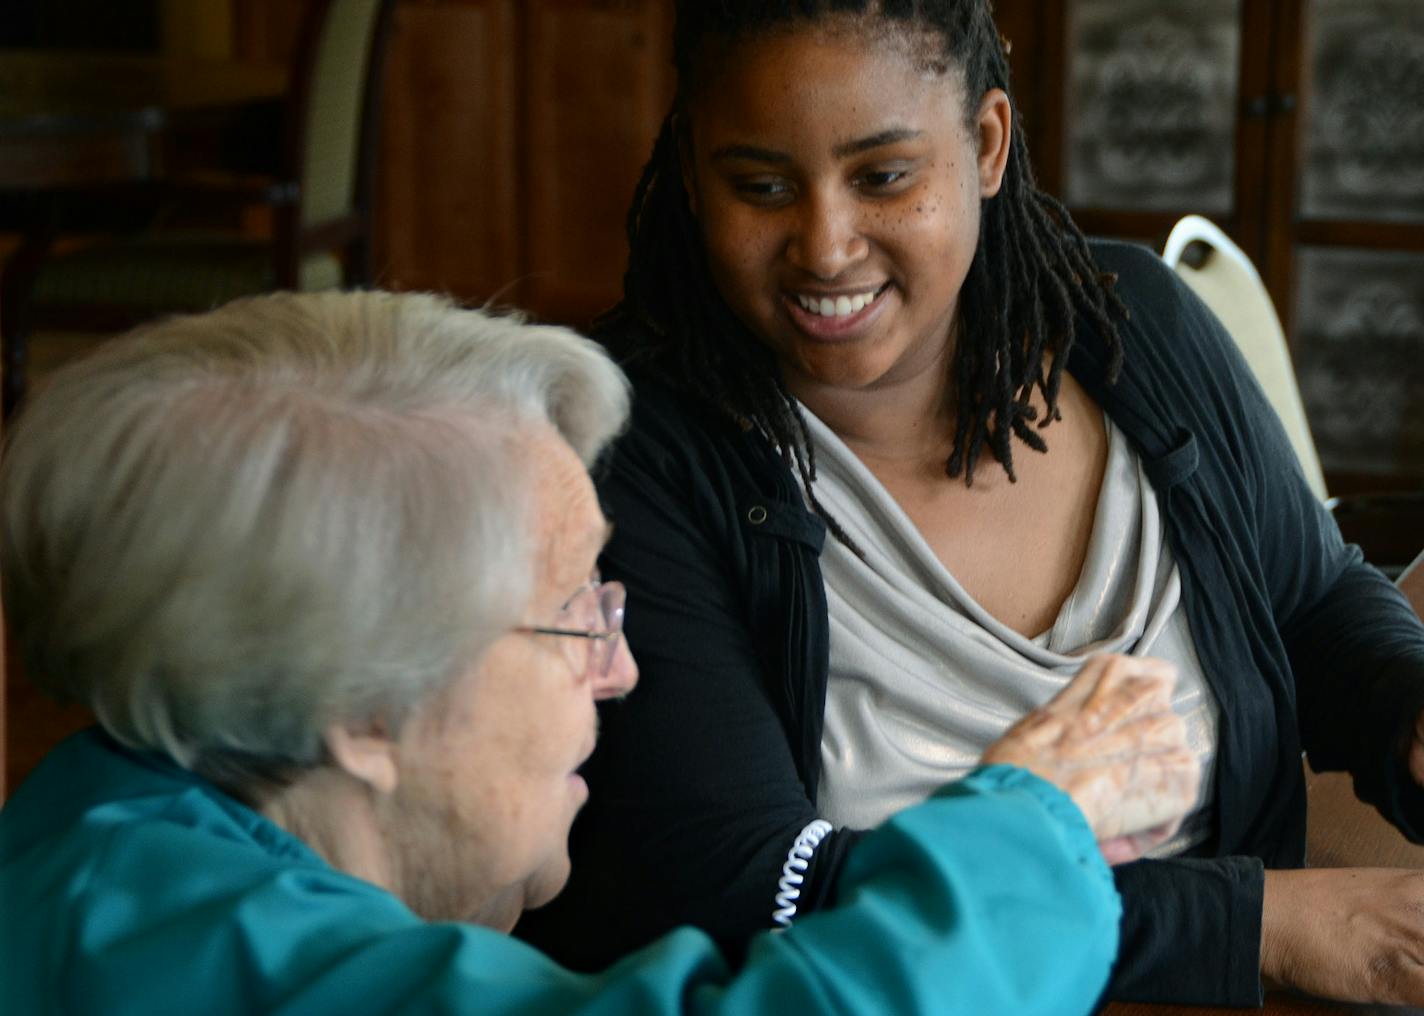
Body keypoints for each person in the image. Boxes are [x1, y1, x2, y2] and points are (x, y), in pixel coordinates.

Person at [511, 1, 1424, 1009]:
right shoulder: (631, 454)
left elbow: (1309, 595)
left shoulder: (1129, 329)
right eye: (760, 185)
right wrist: (1257, 923)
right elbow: (752, 886)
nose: (822, 245)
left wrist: (1402, 707)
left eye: (882, 177)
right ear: (691, 171)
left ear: (985, 144)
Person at [0, 290, 1198, 1015]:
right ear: (358, 704)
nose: (620, 669)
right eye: (572, 611)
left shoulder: (116, 830)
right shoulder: (177, 942)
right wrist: (1038, 812)